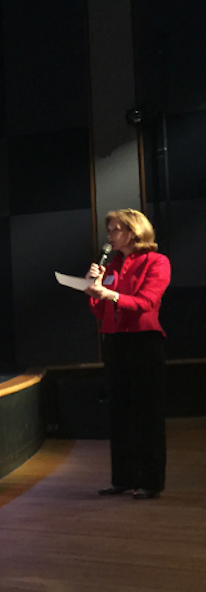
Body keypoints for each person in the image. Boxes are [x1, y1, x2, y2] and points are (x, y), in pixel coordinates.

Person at [85, 209, 171, 500]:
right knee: (118, 412)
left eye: (114, 230)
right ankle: (122, 478)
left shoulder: (157, 262)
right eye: (109, 231)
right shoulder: (112, 265)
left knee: (147, 413)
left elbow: (146, 302)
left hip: (144, 341)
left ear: (132, 232)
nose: (109, 236)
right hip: (115, 341)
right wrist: (94, 290)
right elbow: (100, 311)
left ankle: (151, 481)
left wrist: (112, 295)